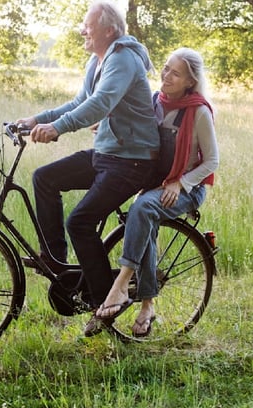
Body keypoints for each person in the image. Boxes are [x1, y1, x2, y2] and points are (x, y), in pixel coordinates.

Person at [16, 0, 159, 336]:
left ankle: (102, 301)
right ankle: (55, 261)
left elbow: (100, 103)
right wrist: (38, 119)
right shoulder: (96, 62)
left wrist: (59, 128)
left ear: (108, 30)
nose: (83, 29)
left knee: (79, 221)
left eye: (88, 24)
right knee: (45, 179)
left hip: (132, 161)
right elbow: (80, 101)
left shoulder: (122, 59)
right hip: (107, 154)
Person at [94, 47, 219, 337]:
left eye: (175, 73)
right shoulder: (154, 102)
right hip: (156, 184)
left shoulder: (199, 112)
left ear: (190, 81)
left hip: (188, 188)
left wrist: (181, 182)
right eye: (165, 68)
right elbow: (135, 133)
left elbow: (212, 161)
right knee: (143, 221)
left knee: (143, 209)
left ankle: (121, 284)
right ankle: (147, 305)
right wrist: (105, 127)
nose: (166, 76)